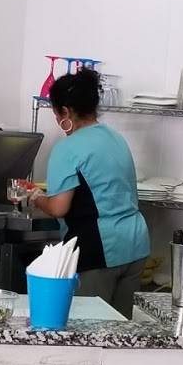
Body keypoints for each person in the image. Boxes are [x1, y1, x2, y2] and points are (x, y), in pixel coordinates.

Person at [27, 67, 149, 317]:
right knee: (121, 329)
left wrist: (35, 197)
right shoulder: (116, 139)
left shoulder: (68, 148)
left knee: (90, 329)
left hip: (99, 250)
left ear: (65, 112)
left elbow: (59, 207)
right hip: (135, 244)